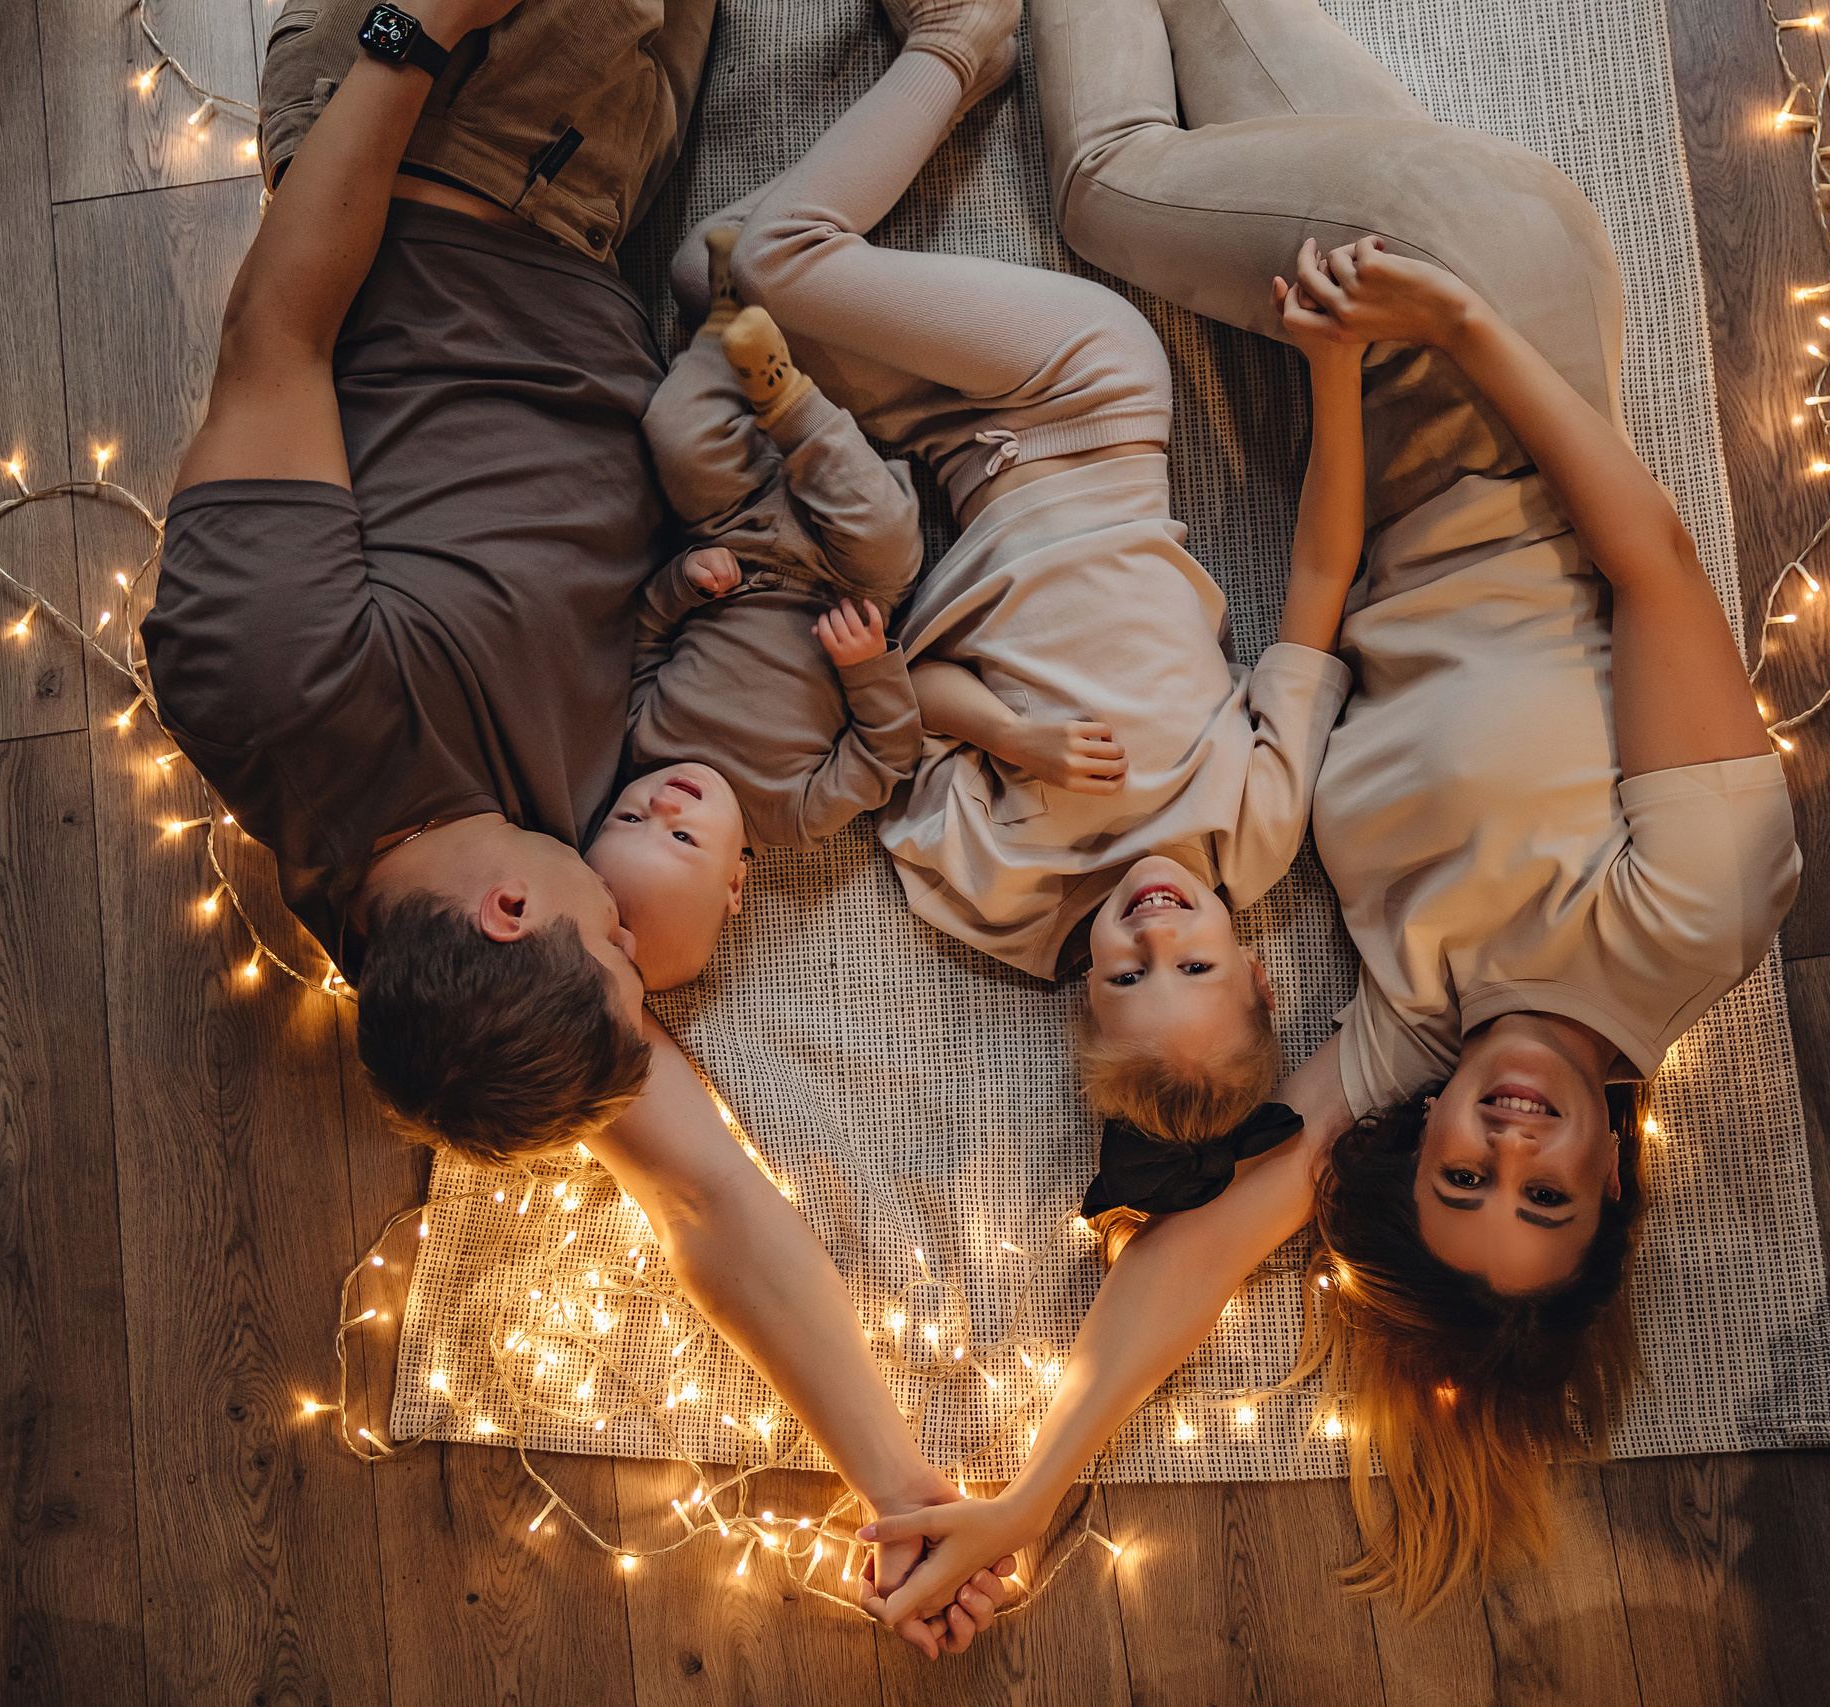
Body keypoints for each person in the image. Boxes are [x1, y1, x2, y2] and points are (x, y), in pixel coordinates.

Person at [855, 0, 1799, 1625]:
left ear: (1412, 1152)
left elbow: (1203, 1244)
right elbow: (1649, 554)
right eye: (1549, 1191)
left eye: (1464, 1185)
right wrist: (1461, 322)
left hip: (1383, 396)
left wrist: (1034, 1483)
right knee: (1102, 182)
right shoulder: (1688, 918)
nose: (1507, 1147)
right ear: (1618, 1174)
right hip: (1492, 344)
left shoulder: (1417, 1028)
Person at [146, 0, 1019, 1654]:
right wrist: (900, 1482)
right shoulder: (506, 968)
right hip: (615, 232)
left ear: (499, 920)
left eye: (615, 946)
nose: (645, 926)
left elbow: (278, 332)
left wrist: (419, 33)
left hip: (463, 149)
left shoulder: (270, 687)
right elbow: (709, 1208)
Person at [708, 0, 1360, 1151]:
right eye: (1193, 961)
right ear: (1259, 976)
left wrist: (1019, 742)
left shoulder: (1000, 897)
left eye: (1126, 975)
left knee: (706, 281)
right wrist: (1335, 377)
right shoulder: (1250, 834)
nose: (1152, 929)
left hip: (947, 459)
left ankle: (935, 94)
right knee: (775, 261)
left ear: (1079, 1000)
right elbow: (1315, 587)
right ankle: (962, 40)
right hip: (1086, 401)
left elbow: (901, 696)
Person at [585, 236, 930, 988]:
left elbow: (645, 634)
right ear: (735, 885)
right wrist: (864, 665)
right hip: (845, 581)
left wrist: (682, 582)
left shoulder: (641, 740)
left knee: (674, 436)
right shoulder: (795, 815)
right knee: (888, 534)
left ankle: (727, 323)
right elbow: (889, 755)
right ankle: (790, 403)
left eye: (629, 818)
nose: (662, 802)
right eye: (681, 836)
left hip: (731, 535)